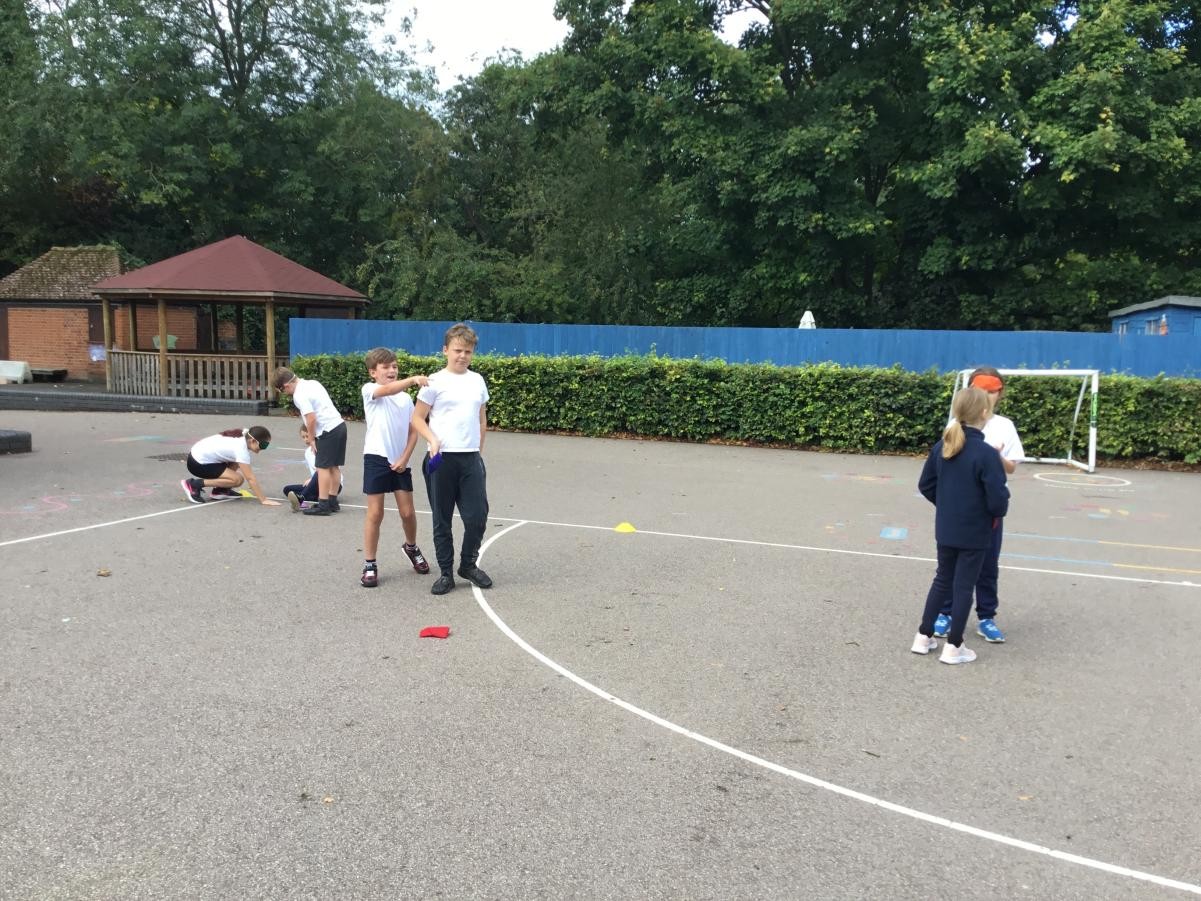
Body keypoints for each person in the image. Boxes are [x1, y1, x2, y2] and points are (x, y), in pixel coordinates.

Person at [911, 387, 1009, 665]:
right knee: (964, 586)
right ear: (984, 412)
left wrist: (947, 506)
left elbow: (926, 485)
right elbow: (998, 499)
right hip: (975, 530)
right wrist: (992, 512)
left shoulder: (943, 446)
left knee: (942, 579)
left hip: (947, 527)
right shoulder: (986, 453)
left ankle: (923, 636)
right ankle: (954, 645)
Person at [933, 367, 1024, 643]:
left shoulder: (1005, 426)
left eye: (992, 390)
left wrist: (996, 458)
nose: (986, 394)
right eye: (981, 389)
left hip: (988, 510)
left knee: (987, 564)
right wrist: (946, 502)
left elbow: (1012, 467)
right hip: (960, 509)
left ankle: (986, 617)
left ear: (999, 394)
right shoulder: (955, 425)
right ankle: (945, 613)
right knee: (950, 566)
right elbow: (943, 463)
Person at [414, 323, 492, 595]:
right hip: (441, 460)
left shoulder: (477, 381)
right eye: (458, 350)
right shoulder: (434, 382)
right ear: (445, 350)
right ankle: (446, 573)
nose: (462, 356)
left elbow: (481, 419)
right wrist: (432, 439)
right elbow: (417, 418)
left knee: (477, 516)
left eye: (468, 351)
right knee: (442, 519)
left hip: (470, 459)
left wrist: (478, 451)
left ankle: (468, 564)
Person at [359, 347, 442, 588]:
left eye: (394, 366)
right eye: (386, 367)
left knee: (407, 513)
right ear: (373, 372)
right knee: (375, 513)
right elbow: (388, 390)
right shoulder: (370, 390)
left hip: (400, 461)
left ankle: (411, 547)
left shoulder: (405, 400)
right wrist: (414, 379)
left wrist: (405, 458)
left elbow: (413, 431)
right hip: (376, 458)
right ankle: (370, 563)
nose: (392, 370)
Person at [273, 366, 346, 516]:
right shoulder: (313, 383)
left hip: (326, 430)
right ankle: (332, 501)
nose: (285, 394)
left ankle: (323, 504)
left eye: (281, 391)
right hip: (339, 426)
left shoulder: (299, 394)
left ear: (286, 385)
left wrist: (312, 438)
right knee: (334, 466)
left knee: (323, 467)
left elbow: (311, 418)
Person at [181, 426, 281, 507]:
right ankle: (194, 484)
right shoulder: (240, 449)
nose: (263, 448)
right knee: (237, 480)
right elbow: (250, 478)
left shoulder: (245, 435)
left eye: (266, 446)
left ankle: (220, 490)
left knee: (237, 461)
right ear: (252, 440)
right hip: (197, 464)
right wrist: (264, 500)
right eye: (263, 445)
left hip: (201, 456)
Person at [282, 424, 342, 512]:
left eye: (307, 436)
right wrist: (312, 481)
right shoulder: (307, 452)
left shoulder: (323, 448)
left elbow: (330, 470)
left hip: (331, 485)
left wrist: (311, 479)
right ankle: (313, 499)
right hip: (317, 485)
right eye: (303, 437)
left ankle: (301, 498)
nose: (306, 439)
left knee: (320, 471)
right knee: (287, 489)